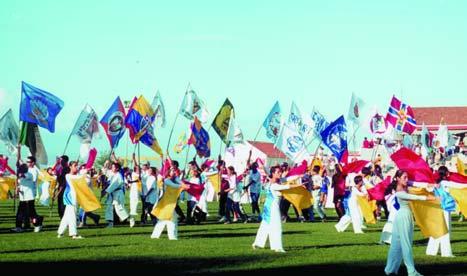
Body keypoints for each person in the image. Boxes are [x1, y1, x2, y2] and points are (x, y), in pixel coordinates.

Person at [384, 170, 436, 276]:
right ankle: (411, 271)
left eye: (407, 177)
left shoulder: (405, 185)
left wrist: (429, 184)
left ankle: (390, 269)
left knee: (396, 245)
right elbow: (414, 197)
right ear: (398, 178)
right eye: (404, 177)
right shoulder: (399, 190)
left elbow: (417, 184)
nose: (407, 180)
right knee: (405, 244)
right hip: (403, 217)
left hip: (402, 217)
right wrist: (428, 198)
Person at [252, 165, 304, 253]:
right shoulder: (274, 185)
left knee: (265, 225)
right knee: (277, 227)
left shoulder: (277, 181)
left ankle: (257, 243)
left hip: (268, 207)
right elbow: (287, 186)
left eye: (280, 171)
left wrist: (299, 176)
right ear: (273, 173)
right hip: (272, 208)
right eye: (278, 172)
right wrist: (299, 185)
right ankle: (278, 247)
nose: (280, 173)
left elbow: (288, 179)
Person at [426, 166, 463, 258]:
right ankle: (446, 252)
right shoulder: (445, 182)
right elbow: (459, 185)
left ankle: (431, 251)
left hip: (437, 208)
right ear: (446, 173)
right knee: (445, 230)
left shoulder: (435, 183)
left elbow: (428, 188)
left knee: (436, 229)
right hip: (445, 208)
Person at [151, 168, 188, 240]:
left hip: (171, 203)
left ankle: (155, 235)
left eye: (174, 171)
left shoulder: (175, 179)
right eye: (172, 171)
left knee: (164, 219)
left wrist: (183, 184)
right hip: (166, 203)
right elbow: (174, 186)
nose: (174, 172)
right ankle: (172, 236)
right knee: (171, 219)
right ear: (168, 172)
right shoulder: (166, 180)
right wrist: (183, 186)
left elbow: (179, 181)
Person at [57, 161, 83, 239]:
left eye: (77, 166)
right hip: (70, 197)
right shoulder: (68, 175)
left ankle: (60, 232)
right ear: (70, 167)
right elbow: (78, 178)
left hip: (73, 197)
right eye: (75, 166)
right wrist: (85, 173)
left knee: (67, 216)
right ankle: (73, 234)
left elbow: (80, 178)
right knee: (72, 215)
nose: (76, 167)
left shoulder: (76, 175)